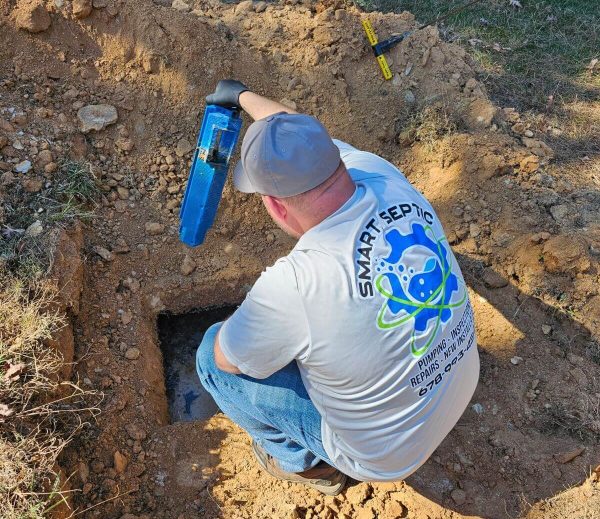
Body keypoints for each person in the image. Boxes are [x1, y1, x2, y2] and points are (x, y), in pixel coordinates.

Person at [196, 79, 480, 496]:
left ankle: (308, 467)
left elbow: (227, 359)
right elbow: (293, 129)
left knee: (210, 353)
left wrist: (257, 329)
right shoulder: (381, 175)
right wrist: (241, 96)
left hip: (388, 455)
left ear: (273, 204)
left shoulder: (293, 285)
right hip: (459, 382)